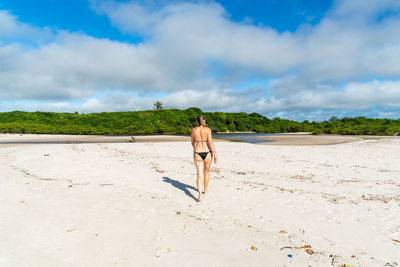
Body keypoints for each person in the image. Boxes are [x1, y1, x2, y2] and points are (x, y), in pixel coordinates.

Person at [191, 115, 218, 202]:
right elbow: (210, 143)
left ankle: (199, 195)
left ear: (196, 121)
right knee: (206, 172)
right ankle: (205, 191)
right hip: (207, 153)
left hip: (198, 153)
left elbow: (192, 142)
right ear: (204, 121)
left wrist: (195, 148)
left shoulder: (194, 130)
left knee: (199, 174)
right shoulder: (207, 129)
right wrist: (215, 154)